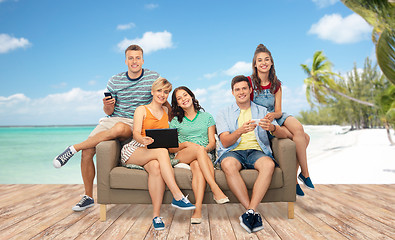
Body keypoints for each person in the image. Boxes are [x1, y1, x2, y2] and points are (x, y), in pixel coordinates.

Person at [52, 44, 163, 212]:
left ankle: (73, 148)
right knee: (88, 150)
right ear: (126, 61)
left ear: (143, 60)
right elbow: (109, 111)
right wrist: (106, 105)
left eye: (138, 58)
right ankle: (88, 197)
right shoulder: (114, 80)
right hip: (114, 118)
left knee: (119, 128)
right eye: (131, 58)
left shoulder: (153, 77)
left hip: (136, 121)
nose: (134, 61)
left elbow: (161, 98)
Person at [216, 75, 288, 233]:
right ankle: (252, 212)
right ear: (232, 92)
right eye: (237, 89)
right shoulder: (223, 113)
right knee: (227, 164)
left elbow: (284, 134)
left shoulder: (263, 111)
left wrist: (273, 128)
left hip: (256, 151)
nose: (241, 92)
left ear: (250, 90)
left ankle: (249, 211)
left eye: (244, 88)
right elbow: (225, 142)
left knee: (268, 164)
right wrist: (240, 131)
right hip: (233, 151)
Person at [121, 78, 195, 231]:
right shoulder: (141, 109)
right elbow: (135, 133)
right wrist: (143, 139)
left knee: (155, 167)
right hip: (136, 149)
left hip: (152, 154)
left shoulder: (166, 111)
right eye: (159, 90)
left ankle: (156, 216)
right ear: (152, 92)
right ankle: (178, 196)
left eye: (166, 92)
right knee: (162, 152)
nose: (162, 94)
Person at [249, 44, 314, 197]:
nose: (263, 62)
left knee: (299, 129)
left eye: (267, 59)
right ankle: (295, 179)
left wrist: (274, 115)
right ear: (255, 64)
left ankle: (305, 173)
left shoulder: (276, 84)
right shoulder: (250, 83)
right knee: (305, 139)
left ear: (271, 63)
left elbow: (278, 110)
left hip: (276, 115)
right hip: (263, 120)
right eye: (260, 60)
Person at [169, 86, 229, 224]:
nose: (183, 99)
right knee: (198, 150)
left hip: (203, 154)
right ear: (177, 103)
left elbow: (212, 143)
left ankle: (198, 210)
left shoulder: (207, 117)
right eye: (179, 98)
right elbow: (171, 149)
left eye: (185, 95)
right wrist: (186, 145)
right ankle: (215, 188)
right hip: (183, 155)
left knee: (197, 165)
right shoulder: (175, 121)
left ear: (191, 96)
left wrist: (203, 150)